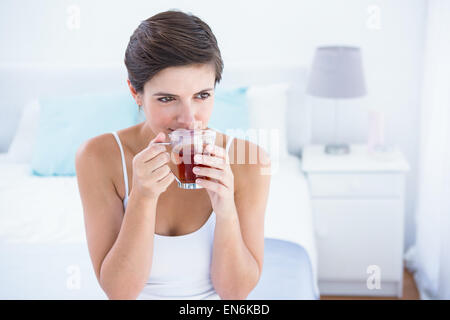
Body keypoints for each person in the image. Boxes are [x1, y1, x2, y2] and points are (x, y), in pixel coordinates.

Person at [75, 10, 271, 300]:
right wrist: (142, 197)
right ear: (135, 92)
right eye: (167, 99)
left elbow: (235, 294)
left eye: (202, 95)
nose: (189, 119)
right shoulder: (98, 157)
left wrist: (225, 208)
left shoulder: (251, 161)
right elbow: (119, 292)